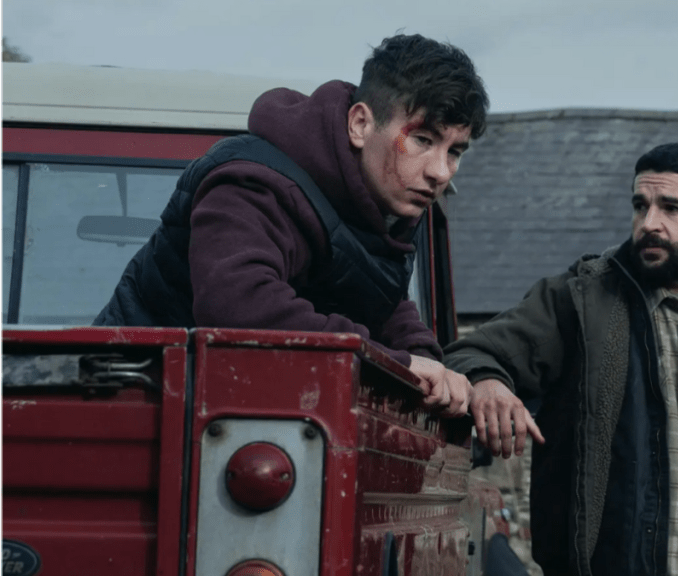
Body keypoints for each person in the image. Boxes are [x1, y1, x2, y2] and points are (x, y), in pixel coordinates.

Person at [444, 143, 678, 576]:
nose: (649, 223)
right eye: (641, 206)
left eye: (671, 208)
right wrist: (489, 382)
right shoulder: (581, 301)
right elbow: (471, 353)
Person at [94, 34, 487, 416]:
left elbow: (377, 296)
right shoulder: (254, 184)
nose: (440, 172)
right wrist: (396, 365)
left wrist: (425, 360)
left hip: (215, 407)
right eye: (422, 140)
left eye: (454, 151)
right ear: (360, 125)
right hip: (121, 398)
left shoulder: (379, 205)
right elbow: (238, 304)